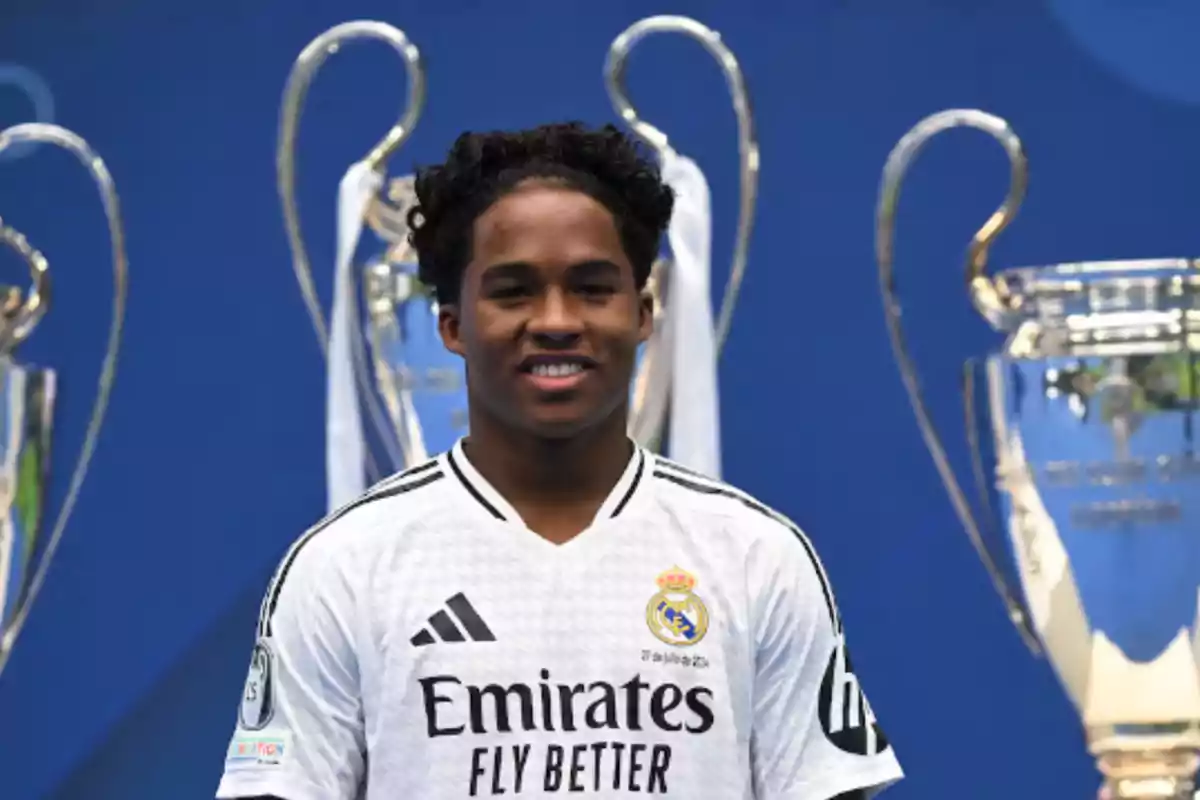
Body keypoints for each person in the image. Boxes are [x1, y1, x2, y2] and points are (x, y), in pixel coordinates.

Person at [215, 121, 903, 800]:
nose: (555, 320)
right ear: (451, 325)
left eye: (591, 287)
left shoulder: (756, 556)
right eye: (513, 290)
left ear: (642, 314)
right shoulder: (347, 564)